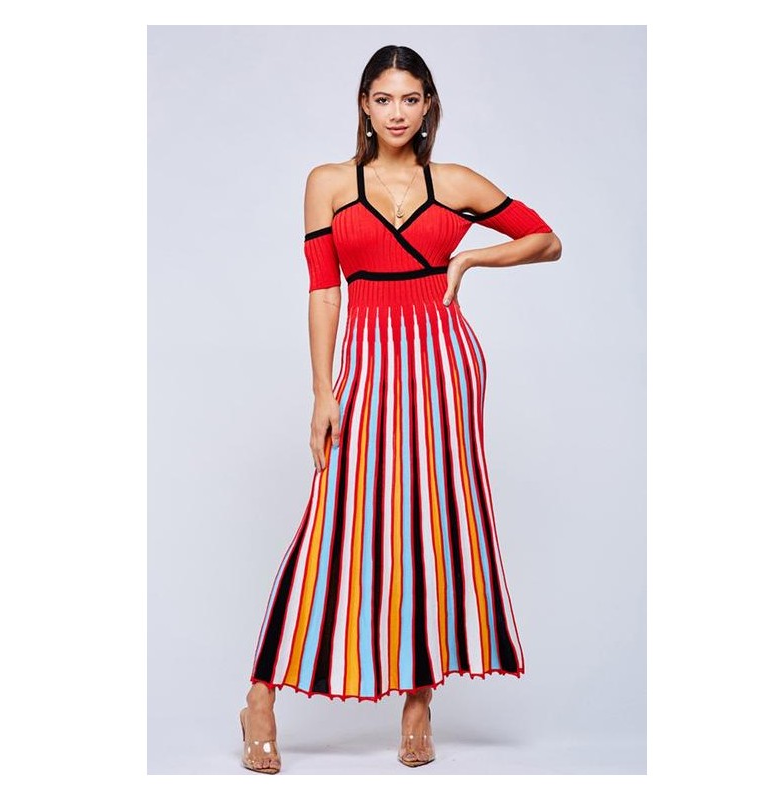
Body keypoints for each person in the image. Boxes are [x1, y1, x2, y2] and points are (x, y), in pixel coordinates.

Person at [239, 44, 562, 774]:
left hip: (445, 367)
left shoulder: (455, 182)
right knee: (336, 523)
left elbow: (546, 240)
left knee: (434, 523)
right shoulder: (329, 183)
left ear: (428, 106)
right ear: (364, 104)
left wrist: (471, 258)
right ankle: (260, 695)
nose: (396, 113)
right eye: (383, 99)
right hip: (368, 365)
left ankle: (418, 699)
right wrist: (323, 391)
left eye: (410, 99)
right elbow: (324, 290)